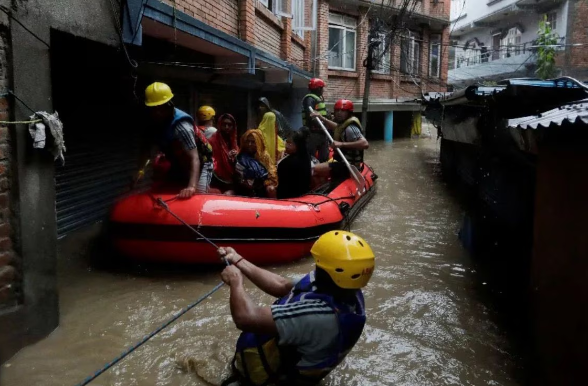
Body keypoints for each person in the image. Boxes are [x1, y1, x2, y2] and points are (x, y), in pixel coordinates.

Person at [219, 230, 375, 386]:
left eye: (319, 264)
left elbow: (245, 318)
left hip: (276, 377)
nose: (315, 267)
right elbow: (282, 285)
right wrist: (237, 259)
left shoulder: (318, 316)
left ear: (329, 273)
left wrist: (236, 282)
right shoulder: (345, 289)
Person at [144, 82, 214, 198]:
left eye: (161, 108)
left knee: (197, 196)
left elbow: (194, 158)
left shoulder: (181, 127)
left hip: (202, 161)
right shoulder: (153, 123)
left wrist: (191, 187)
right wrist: (140, 170)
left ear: (169, 105)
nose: (158, 112)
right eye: (154, 109)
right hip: (179, 162)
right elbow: (145, 149)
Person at [312, 99, 369, 181]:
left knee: (314, 169)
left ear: (349, 113)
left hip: (349, 166)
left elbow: (365, 144)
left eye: (343, 111)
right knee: (319, 171)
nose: (339, 113)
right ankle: (325, 187)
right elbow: (337, 127)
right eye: (337, 110)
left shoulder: (350, 128)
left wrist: (341, 144)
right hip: (342, 162)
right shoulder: (343, 125)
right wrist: (322, 118)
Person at [234, 129, 278, 198]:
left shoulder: (264, 157)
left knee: (271, 189)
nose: (249, 144)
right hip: (244, 187)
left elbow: (272, 175)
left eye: (253, 142)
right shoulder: (242, 156)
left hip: (261, 187)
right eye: (248, 141)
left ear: (258, 143)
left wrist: (262, 182)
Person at [277, 127, 312, 199]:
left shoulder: (290, 162)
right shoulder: (304, 156)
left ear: (298, 145)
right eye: (286, 142)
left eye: (290, 143)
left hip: (289, 198)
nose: (286, 145)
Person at [301, 78, 329, 162]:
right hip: (313, 133)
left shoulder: (317, 98)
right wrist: (317, 126)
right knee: (311, 156)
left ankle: (323, 170)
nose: (323, 90)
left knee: (324, 156)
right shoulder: (309, 99)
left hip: (322, 132)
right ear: (318, 88)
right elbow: (309, 115)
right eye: (322, 88)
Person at [209, 113, 239, 194]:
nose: (227, 127)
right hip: (215, 179)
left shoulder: (234, 142)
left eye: (229, 125)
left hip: (231, 180)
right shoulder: (212, 141)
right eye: (224, 124)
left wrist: (236, 157)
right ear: (219, 125)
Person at [257, 98, 285, 163]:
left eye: (262, 106)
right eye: (260, 106)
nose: (260, 108)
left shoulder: (273, 115)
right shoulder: (257, 134)